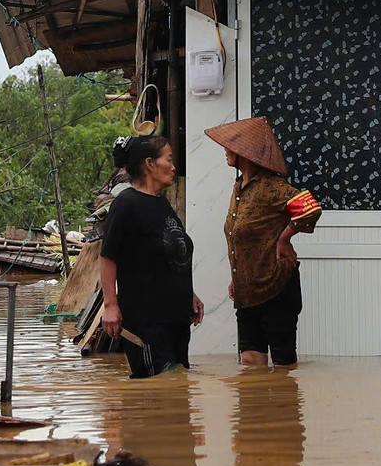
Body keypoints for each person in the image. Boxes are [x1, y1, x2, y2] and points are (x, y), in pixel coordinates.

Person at [208, 118, 321, 368]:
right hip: (247, 291)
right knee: (250, 363)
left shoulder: (272, 187)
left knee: (284, 366)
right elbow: (242, 239)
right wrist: (237, 277)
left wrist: (285, 237)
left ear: (245, 154)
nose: (226, 151)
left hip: (276, 286)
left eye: (230, 147)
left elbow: (310, 208)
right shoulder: (239, 187)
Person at [98, 134, 202, 377]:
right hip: (147, 322)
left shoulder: (160, 202)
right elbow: (108, 257)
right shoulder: (126, 204)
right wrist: (110, 305)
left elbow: (168, 254)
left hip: (175, 319)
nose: (174, 167)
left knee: (177, 394)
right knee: (154, 394)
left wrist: (189, 293)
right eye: (169, 159)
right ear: (150, 164)